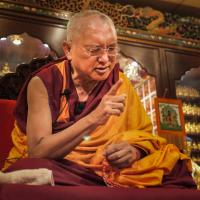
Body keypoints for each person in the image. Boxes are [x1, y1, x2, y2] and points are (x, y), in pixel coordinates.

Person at [3, 10, 196, 188]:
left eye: (111, 48)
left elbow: (143, 134)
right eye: (94, 50)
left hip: (107, 167)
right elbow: (37, 151)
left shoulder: (119, 82)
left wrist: (135, 150)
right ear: (68, 50)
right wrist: (96, 116)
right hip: (64, 166)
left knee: (177, 168)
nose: (105, 59)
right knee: (34, 171)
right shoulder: (45, 82)